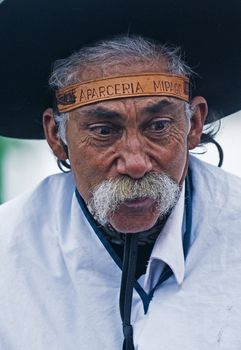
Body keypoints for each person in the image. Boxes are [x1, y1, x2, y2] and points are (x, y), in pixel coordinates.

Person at [1, 34, 241, 349]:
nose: (135, 163)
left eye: (158, 126)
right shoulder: (8, 249)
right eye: (103, 131)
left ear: (193, 125)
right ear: (57, 137)